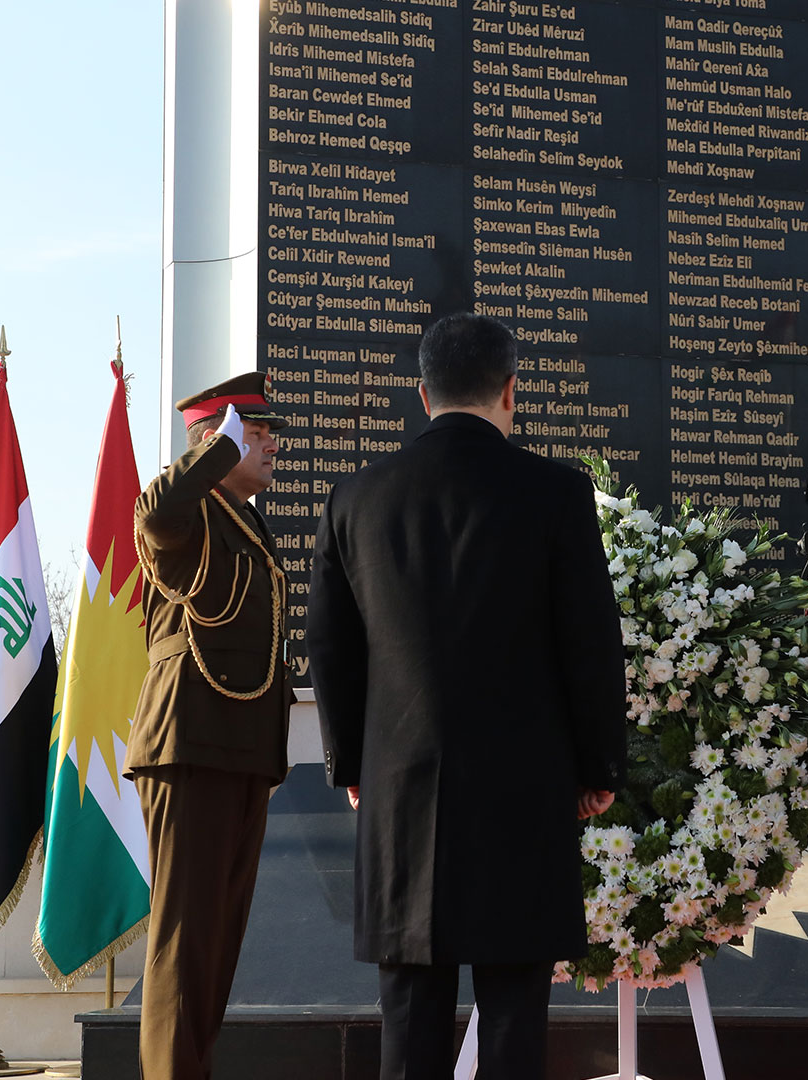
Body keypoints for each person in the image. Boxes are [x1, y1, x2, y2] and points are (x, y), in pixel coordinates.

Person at [307, 313, 627, 1080]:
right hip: (524, 787)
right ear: (511, 390)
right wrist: (598, 768)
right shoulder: (557, 492)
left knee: (409, 1012)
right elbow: (589, 642)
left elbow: (331, 647)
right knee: (514, 1013)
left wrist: (351, 764)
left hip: (401, 789)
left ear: (423, 395)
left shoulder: (355, 498)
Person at [125, 372, 293, 1080]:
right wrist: (215, 450)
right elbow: (156, 510)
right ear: (213, 442)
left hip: (240, 748)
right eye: (256, 434)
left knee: (215, 948)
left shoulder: (245, 522)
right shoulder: (188, 513)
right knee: (184, 943)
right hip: (189, 742)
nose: (272, 446)